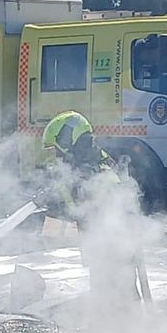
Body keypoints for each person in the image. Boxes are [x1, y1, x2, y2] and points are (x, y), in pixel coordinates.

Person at [39, 111, 142, 305]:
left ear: (67, 142)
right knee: (111, 301)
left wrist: (55, 199)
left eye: (57, 149)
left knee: (116, 304)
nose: (57, 156)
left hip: (112, 254)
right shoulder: (95, 164)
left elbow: (82, 208)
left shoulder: (94, 171)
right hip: (105, 252)